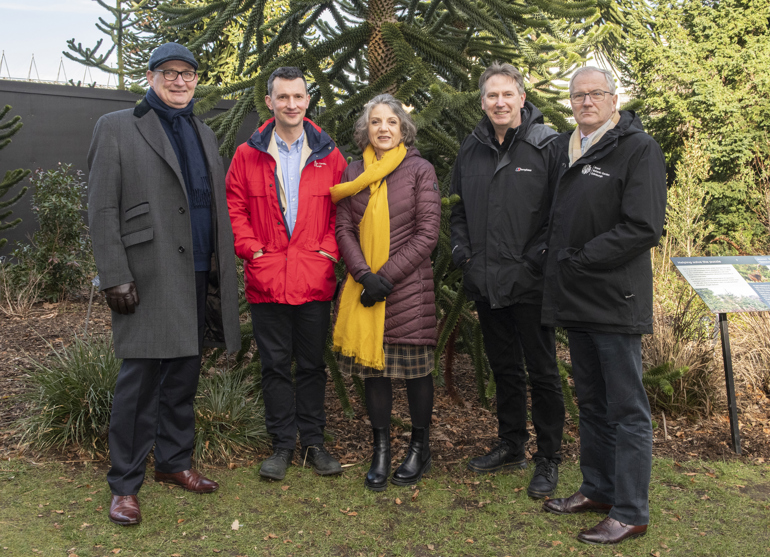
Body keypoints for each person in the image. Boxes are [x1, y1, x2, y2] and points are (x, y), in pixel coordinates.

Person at [87, 42, 241, 526]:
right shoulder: (116, 127)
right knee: (140, 380)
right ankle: (124, 484)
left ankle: (174, 462)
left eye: (188, 74)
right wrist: (113, 275)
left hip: (198, 270)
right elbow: (101, 207)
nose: (179, 81)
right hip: (148, 273)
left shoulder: (204, 131)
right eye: (169, 72)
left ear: (197, 80)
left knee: (183, 374)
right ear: (151, 76)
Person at [541, 66, 667, 545]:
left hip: (615, 299)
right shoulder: (568, 148)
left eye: (596, 93)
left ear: (614, 100)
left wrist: (579, 258)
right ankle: (598, 487)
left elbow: (643, 227)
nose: (586, 101)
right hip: (575, 299)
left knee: (627, 408)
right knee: (591, 401)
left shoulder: (638, 148)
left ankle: (631, 510)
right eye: (578, 95)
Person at [449, 62, 565, 498]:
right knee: (504, 368)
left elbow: (559, 214)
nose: (499, 102)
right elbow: (458, 207)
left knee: (542, 371)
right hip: (486, 280)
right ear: (482, 102)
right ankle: (511, 444)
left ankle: (549, 456)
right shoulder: (472, 147)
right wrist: (463, 254)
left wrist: (535, 261)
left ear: (521, 97)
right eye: (491, 96)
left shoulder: (547, 145)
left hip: (530, 282)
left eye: (506, 94)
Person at [226, 67, 347, 481]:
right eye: (283, 98)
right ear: (269, 102)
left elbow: (342, 211)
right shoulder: (248, 154)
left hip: (314, 277)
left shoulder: (329, 155)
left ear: (308, 101)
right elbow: (234, 207)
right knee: (275, 365)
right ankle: (281, 446)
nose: (291, 105)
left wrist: (329, 253)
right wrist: (251, 250)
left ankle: (314, 442)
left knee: (312, 364)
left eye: (298, 97)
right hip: (267, 277)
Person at [332, 94, 441, 491]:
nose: (383, 128)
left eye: (391, 122)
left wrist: (385, 279)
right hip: (365, 290)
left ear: (403, 129)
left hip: (408, 289)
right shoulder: (355, 170)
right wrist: (363, 274)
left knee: (414, 372)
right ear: (366, 128)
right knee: (373, 373)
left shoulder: (419, 170)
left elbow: (428, 233)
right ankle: (380, 450)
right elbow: (343, 227)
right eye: (375, 121)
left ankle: (419, 448)